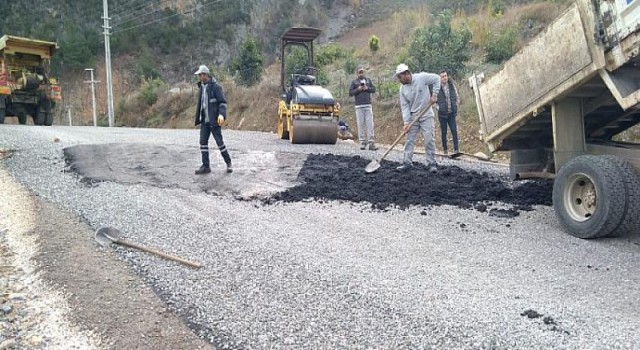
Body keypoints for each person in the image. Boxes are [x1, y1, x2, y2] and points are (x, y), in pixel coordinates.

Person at [394, 63, 440, 173]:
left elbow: (437, 79)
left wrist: (434, 94)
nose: (400, 80)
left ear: (406, 74)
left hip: (426, 114)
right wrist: (406, 122)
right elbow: (404, 107)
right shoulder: (402, 89)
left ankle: (431, 163)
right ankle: (407, 162)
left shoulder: (421, 77)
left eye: (400, 77)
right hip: (413, 116)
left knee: (429, 139)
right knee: (409, 140)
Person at [193, 65, 232, 174]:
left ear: (205, 75)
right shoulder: (201, 87)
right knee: (203, 142)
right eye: (199, 75)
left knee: (220, 143)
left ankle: (229, 163)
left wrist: (221, 115)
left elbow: (223, 103)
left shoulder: (216, 87)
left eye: (200, 75)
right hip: (205, 121)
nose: (199, 77)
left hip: (214, 121)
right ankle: (206, 166)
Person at [348, 67, 378, 150]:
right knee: (360, 124)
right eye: (359, 72)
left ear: (364, 73)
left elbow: (374, 89)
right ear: (357, 73)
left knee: (370, 124)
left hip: (368, 105)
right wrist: (358, 89)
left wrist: (367, 88)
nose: (361, 74)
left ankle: (371, 142)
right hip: (359, 106)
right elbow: (350, 93)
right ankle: (362, 142)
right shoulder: (354, 82)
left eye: (362, 72)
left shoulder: (368, 81)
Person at [436, 70, 460, 156]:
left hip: (451, 113)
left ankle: (456, 149)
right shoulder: (437, 87)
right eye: (442, 76)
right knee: (444, 132)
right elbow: (434, 100)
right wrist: (438, 108)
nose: (445, 78)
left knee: (454, 131)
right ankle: (445, 150)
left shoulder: (451, 86)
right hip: (442, 115)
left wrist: (456, 106)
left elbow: (457, 96)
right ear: (440, 78)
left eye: (445, 76)